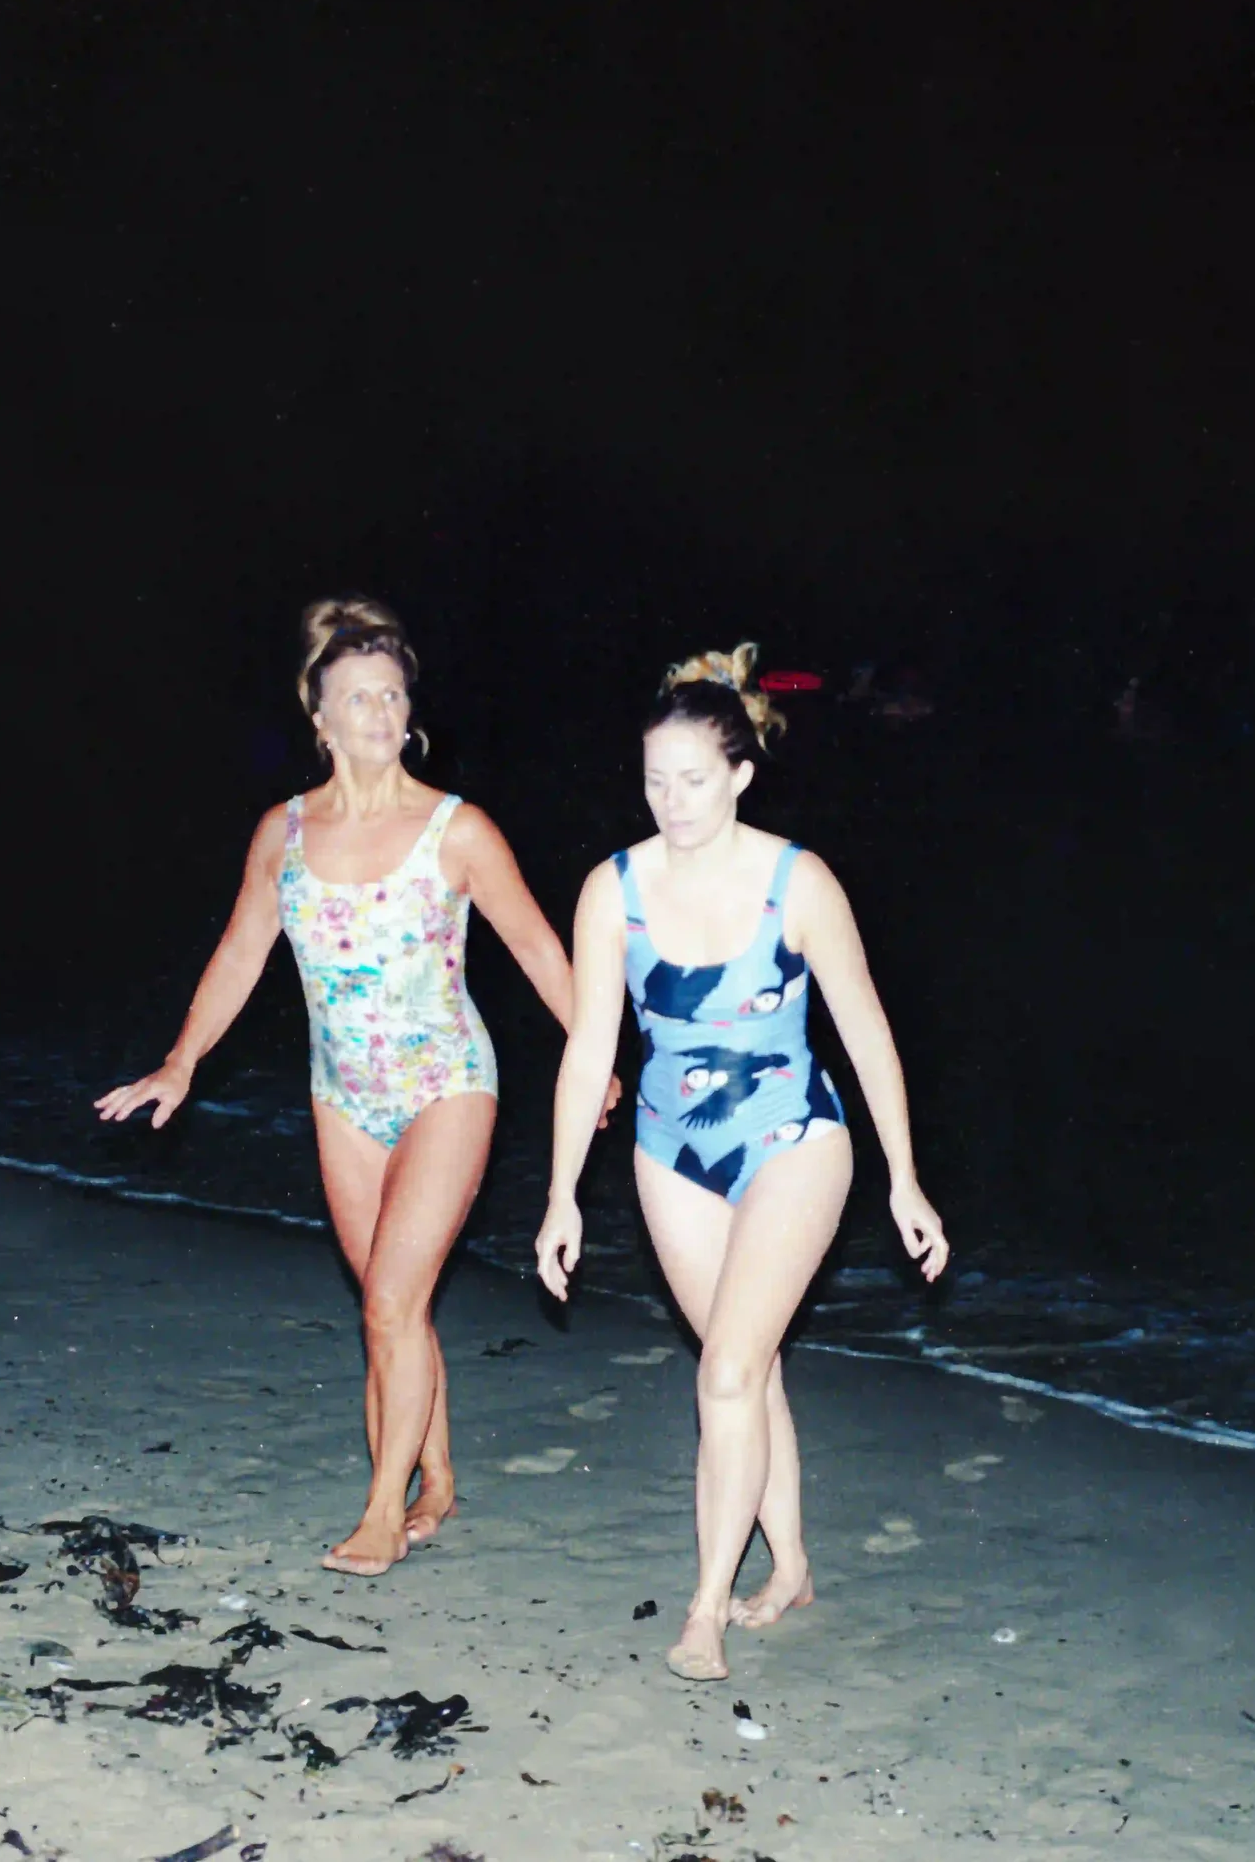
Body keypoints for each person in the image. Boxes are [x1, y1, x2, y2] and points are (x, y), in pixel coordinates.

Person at [98, 597, 615, 1576]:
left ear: (407, 711)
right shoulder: (281, 833)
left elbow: (543, 948)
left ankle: (382, 1511)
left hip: (445, 1081)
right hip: (342, 1094)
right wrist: (181, 1059)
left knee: (384, 1301)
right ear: (320, 720)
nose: (379, 712)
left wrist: (596, 1058)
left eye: (391, 695)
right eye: (356, 698)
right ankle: (440, 1478)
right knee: (398, 1303)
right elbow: (243, 948)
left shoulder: (456, 830)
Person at [533, 643, 950, 1680]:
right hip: (670, 1148)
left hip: (792, 1140)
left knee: (722, 1371)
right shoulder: (610, 889)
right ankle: (793, 1561)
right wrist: (559, 1195)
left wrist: (903, 1175)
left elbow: (865, 1029)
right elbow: (590, 1046)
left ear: (740, 774)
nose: (671, 800)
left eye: (693, 779)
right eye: (653, 780)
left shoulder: (796, 880)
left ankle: (707, 1606)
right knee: (745, 1367)